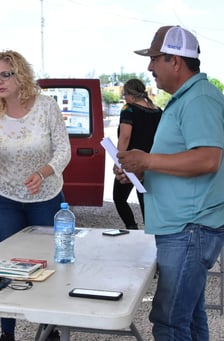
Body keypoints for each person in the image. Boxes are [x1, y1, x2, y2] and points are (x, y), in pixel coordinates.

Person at [116, 25, 224, 340]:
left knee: (169, 322)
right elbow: (183, 159)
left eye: (155, 59)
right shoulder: (187, 98)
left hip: (190, 229)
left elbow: (208, 159)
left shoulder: (200, 98)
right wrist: (140, 169)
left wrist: (147, 160)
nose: (149, 67)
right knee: (188, 317)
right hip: (185, 228)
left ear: (175, 61)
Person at [0, 50, 71, 341]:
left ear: (21, 75)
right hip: (3, 197)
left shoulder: (46, 106)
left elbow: (64, 151)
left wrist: (43, 172)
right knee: (8, 265)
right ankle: (7, 332)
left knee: (46, 263)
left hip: (46, 196)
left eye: (6, 74)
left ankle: (49, 329)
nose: (0, 81)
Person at [112, 79, 162, 229]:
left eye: (125, 94)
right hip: (151, 162)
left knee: (119, 198)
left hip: (131, 162)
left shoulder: (129, 109)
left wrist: (118, 159)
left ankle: (132, 228)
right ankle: (150, 232)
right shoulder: (158, 110)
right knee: (146, 201)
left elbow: (125, 136)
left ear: (131, 95)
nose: (124, 98)